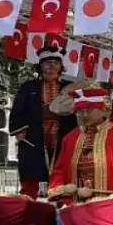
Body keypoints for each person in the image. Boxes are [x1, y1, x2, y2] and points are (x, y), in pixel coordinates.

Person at [47, 87, 113, 205]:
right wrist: (58, 187)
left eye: (89, 110)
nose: (84, 115)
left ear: (103, 109)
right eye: (80, 111)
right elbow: (60, 169)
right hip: (77, 205)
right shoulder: (70, 138)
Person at [9, 41, 78, 198]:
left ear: (61, 66)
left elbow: (80, 110)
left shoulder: (70, 88)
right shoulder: (29, 87)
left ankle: (61, 203)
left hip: (63, 133)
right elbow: (18, 109)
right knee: (31, 169)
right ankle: (28, 202)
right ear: (40, 66)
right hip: (34, 134)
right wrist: (19, 130)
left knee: (63, 168)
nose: (52, 66)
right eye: (47, 63)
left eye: (56, 62)